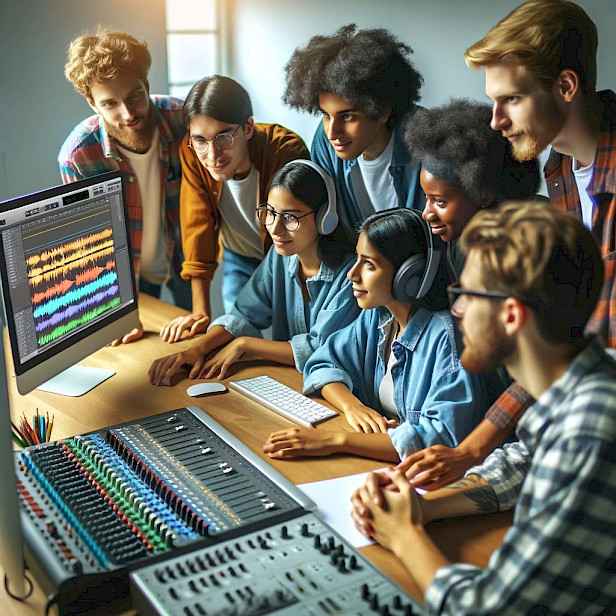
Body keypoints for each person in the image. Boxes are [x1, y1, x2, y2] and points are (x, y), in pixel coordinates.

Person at [350, 201, 615, 615]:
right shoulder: (581, 387)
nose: (456, 311)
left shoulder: (587, 429)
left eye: (466, 296)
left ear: (510, 315)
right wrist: (425, 506)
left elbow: (486, 608)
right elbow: (520, 463)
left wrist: (403, 534)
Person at [262, 208, 496, 463]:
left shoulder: (445, 337)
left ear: (409, 275)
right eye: (357, 259)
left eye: (369, 264)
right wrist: (353, 406)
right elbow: (322, 363)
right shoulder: (379, 318)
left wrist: (333, 441)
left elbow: (439, 438)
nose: (353, 274)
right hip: (380, 463)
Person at [396, 99, 541, 490]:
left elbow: (537, 373)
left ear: (483, 194)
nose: (427, 213)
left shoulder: (524, 249)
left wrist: (472, 450)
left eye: (440, 201)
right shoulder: (464, 243)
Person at [465, 0, 615, 349]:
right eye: (493, 101)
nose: (496, 120)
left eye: (512, 99)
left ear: (566, 87)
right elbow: (566, 334)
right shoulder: (559, 169)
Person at [149, 160, 359, 384]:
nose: (275, 229)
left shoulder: (352, 276)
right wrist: (196, 350)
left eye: (290, 217)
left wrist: (243, 344)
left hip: (344, 390)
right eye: (270, 213)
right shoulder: (280, 257)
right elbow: (243, 315)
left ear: (324, 217)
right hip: (292, 382)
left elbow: (318, 348)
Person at [59, 28, 189, 344]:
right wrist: (116, 310)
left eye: (134, 96)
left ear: (146, 84)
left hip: (185, 256)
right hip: (128, 272)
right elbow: (92, 241)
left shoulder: (180, 118)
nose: (128, 114)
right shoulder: (79, 155)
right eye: (111, 103)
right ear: (92, 103)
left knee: (199, 347)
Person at [160, 75, 309, 343]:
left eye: (224, 137)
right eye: (201, 141)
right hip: (238, 256)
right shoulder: (193, 154)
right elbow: (197, 225)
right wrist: (200, 312)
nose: (213, 155)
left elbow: (298, 227)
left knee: (291, 341)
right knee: (229, 333)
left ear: (248, 128)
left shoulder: (285, 150)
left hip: (288, 259)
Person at [283, 24, 424, 236]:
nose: (332, 133)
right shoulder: (324, 142)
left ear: (383, 110)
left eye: (347, 116)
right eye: (326, 115)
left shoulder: (425, 139)